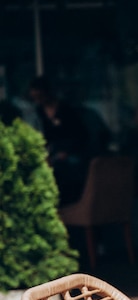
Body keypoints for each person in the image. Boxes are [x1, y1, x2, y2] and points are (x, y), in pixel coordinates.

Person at [29, 75, 109, 205]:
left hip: (73, 153)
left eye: (40, 96)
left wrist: (67, 152)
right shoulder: (38, 113)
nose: (38, 101)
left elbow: (81, 136)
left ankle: (69, 207)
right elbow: (44, 138)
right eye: (35, 98)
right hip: (53, 153)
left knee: (65, 172)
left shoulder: (67, 110)